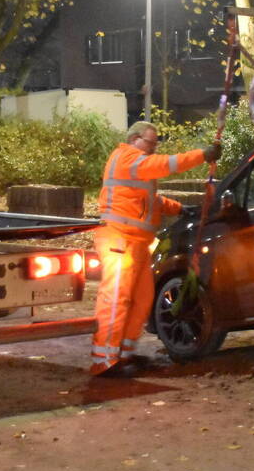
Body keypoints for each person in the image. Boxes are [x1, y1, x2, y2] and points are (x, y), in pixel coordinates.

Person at [90, 121, 221, 378]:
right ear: (136, 138)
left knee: (141, 300)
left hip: (134, 242)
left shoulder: (134, 167)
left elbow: (152, 201)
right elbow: (163, 165)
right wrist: (201, 155)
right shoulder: (128, 157)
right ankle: (104, 360)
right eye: (152, 142)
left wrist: (179, 208)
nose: (154, 147)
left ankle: (123, 354)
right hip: (119, 240)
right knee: (117, 299)